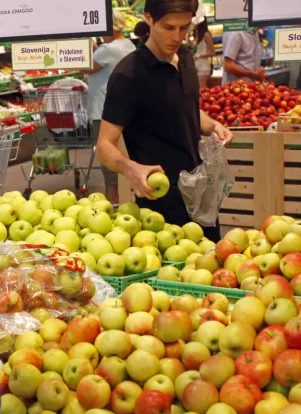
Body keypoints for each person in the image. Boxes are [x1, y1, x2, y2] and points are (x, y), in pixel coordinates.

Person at [97, 0, 231, 242]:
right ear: (149, 19)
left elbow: (183, 107)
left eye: (184, 28)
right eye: (169, 27)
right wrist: (131, 168)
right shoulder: (129, 75)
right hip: (161, 203)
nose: (177, 36)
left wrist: (212, 125)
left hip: (199, 192)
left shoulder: (185, 57)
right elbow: (105, 146)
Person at [84, 10, 136, 202]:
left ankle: (113, 202)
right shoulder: (128, 44)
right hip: (121, 109)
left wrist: (81, 47)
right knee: (122, 155)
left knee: (108, 161)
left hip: (102, 110)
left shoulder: (108, 48)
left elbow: (85, 66)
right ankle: (125, 199)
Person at [194, 17, 215, 87]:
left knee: (202, 90)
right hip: (196, 66)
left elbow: (212, 52)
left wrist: (199, 56)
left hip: (203, 66)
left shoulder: (206, 35)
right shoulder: (196, 34)